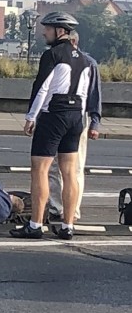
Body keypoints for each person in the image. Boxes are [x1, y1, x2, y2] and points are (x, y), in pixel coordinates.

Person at [11, 11, 92, 240]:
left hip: (53, 114)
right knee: (69, 172)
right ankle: (67, 225)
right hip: (76, 115)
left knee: (40, 170)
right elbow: (85, 93)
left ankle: (35, 224)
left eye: (47, 28)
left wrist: (31, 117)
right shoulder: (84, 59)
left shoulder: (52, 55)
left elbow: (42, 87)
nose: (44, 32)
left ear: (60, 31)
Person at [47, 29, 102, 222]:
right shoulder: (59, 59)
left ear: (73, 42)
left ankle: (72, 209)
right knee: (54, 166)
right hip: (60, 114)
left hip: (77, 116)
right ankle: (56, 207)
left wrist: (95, 121)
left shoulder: (88, 63)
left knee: (74, 167)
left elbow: (94, 95)